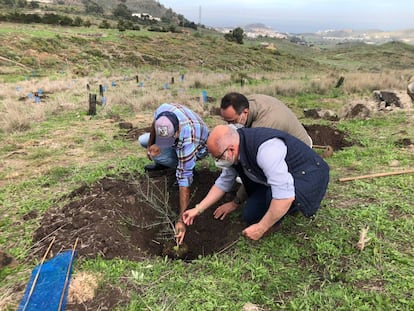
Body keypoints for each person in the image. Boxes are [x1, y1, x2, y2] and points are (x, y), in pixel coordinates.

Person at [182, 125, 329, 241]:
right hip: (274, 180)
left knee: (277, 197)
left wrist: (261, 228)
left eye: (218, 157)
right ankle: (277, 210)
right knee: (250, 215)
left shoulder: (266, 150)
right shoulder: (233, 151)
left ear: (231, 150)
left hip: (308, 174)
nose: (217, 162)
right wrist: (198, 209)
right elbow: (223, 182)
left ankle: (288, 211)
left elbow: (284, 196)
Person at [219, 92, 313, 211]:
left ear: (245, 113)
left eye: (232, 121)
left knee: (264, 200)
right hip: (283, 140)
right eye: (227, 121)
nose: (230, 125)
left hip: (300, 156)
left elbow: (252, 165)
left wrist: (237, 200)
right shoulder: (248, 103)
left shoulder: (264, 126)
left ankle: (291, 205)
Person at [138, 103, 209, 244]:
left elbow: (184, 183)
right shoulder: (163, 111)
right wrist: (151, 143)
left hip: (200, 147)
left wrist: (181, 219)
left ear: (177, 131)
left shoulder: (189, 140)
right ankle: (163, 164)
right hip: (179, 136)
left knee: (183, 171)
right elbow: (154, 125)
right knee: (144, 141)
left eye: (168, 140)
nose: (163, 143)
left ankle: (187, 165)